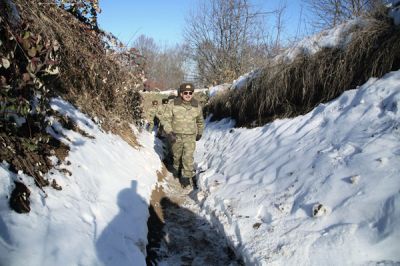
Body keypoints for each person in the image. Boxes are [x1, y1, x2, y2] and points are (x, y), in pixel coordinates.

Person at [163, 83, 204, 188]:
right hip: (175, 135)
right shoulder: (173, 104)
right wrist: (169, 132)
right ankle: (176, 168)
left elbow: (200, 121)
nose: (188, 95)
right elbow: (165, 120)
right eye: (185, 92)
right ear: (181, 93)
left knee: (188, 156)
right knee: (177, 156)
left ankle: (185, 177)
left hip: (190, 136)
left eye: (190, 93)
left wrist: (200, 132)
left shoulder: (197, 105)